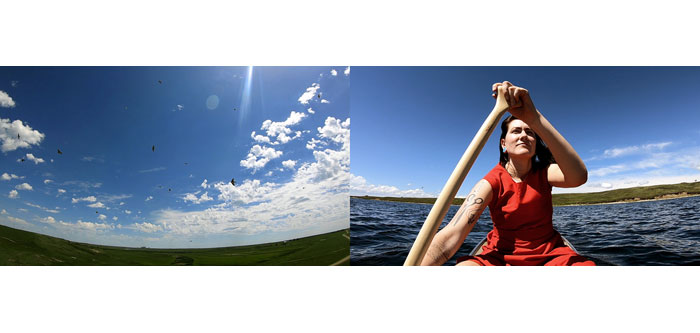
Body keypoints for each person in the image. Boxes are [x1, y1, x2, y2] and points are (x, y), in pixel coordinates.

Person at [421, 81, 595, 266]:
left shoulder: (544, 172)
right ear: (504, 144)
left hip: (551, 255)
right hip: (500, 257)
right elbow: (451, 236)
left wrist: (534, 118)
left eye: (530, 133)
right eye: (516, 131)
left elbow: (578, 177)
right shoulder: (491, 182)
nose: (523, 135)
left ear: (535, 144)